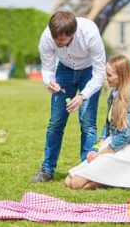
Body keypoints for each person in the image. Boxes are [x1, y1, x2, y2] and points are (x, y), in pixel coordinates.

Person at [30, 11, 106, 183]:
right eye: (55, 39)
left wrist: (83, 96)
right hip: (64, 70)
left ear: (73, 33)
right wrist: (49, 82)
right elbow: (48, 68)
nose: (58, 43)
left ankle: (86, 171)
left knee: (87, 123)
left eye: (62, 40)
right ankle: (47, 169)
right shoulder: (47, 37)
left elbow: (100, 72)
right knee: (56, 122)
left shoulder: (90, 33)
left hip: (89, 72)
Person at [65, 55, 130, 190]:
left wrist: (100, 154)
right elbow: (107, 127)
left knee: (76, 184)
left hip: (125, 150)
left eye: (109, 75)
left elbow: (124, 137)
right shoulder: (113, 94)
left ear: (121, 76)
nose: (106, 77)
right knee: (68, 181)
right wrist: (96, 148)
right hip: (110, 146)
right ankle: (110, 179)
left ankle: (112, 180)